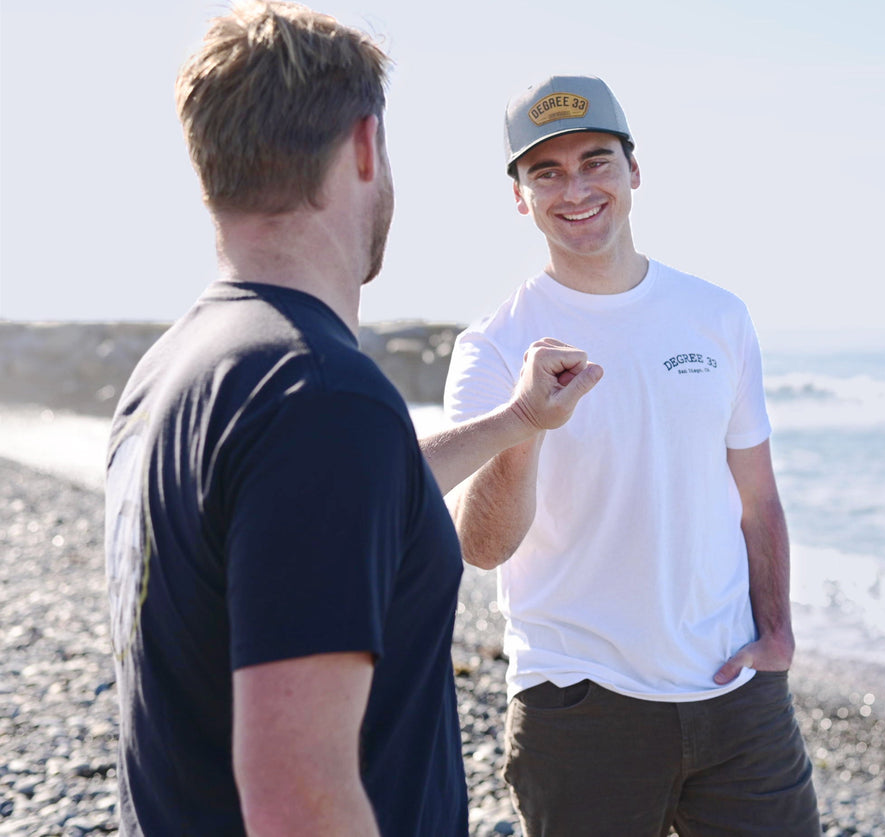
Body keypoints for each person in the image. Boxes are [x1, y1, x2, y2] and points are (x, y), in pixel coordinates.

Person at [104, 7, 601, 836]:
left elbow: (342, 501)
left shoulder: (179, 369)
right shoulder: (320, 397)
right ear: (366, 145)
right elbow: (299, 797)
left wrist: (514, 422)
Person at [443, 74, 820, 835]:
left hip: (736, 696)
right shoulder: (494, 347)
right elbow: (482, 547)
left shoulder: (716, 315)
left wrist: (775, 634)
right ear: (520, 196)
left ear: (634, 170)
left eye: (596, 160)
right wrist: (526, 423)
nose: (575, 188)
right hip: (580, 705)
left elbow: (758, 498)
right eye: (545, 171)